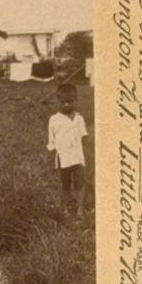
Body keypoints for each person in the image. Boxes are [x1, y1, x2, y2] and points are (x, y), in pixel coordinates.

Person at [46, 87, 89, 218]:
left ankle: (80, 209)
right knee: (65, 184)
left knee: (79, 182)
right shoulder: (54, 119)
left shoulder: (79, 118)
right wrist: (53, 157)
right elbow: (51, 141)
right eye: (63, 101)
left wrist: (82, 154)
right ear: (58, 101)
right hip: (63, 157)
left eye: (70, 101)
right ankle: (65, 209)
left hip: (77, 156)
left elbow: (84, 137)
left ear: (75, 101)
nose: (67, 104)